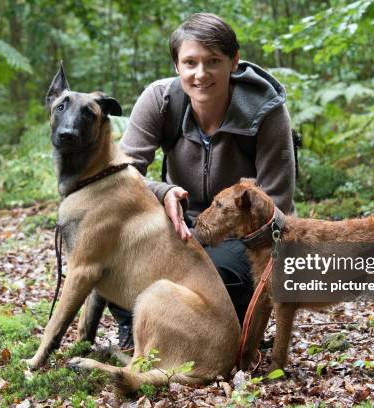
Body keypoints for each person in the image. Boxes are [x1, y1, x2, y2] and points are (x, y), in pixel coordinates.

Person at [113, 12, 295, 348]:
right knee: (110, 242)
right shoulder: (160, 100)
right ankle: (133, 325)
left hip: (241, 235)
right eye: (190, 62)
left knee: (214, 278)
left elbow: (276, 204)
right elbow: (121, 175)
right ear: (176, 66)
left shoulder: (266, 111)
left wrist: (208, 237)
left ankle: (221, 331)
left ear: (234, 62)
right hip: (177, 219)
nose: (201, 74)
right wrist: (163, 191)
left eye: (213, 61)